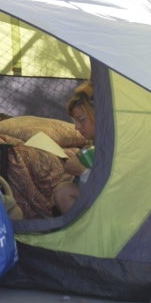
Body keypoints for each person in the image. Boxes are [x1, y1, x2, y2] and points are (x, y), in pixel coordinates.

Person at [53, 82, 96, 215]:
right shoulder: (95, 145)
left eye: (82, 120)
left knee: (64, 192)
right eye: (75, 121)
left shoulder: (116, 145)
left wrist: (82, 171)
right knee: (64, 188)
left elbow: (113, 189)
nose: (76, 127)